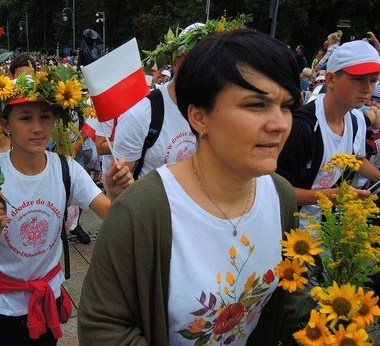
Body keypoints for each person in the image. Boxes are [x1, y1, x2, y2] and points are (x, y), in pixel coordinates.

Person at [78, 29, 301, 346]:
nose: (279, 123)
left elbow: (287, 302)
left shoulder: (281, 196)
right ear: (199, 116)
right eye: (256, 105)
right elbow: (103, 325)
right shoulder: (140, 212)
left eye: (287, 106)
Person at [0, 66, 134, 345]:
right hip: (5, 304)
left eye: (45, 117)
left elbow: (114, 216)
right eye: (25, 118)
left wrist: (115, 191)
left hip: (47, 296)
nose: (38, 127)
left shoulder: (66, 169)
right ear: (4, 124)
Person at [114, 16, 248, 180]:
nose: (202, 68)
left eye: (211, 62)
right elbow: (119, 188)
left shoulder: (226, 111)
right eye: (191, 59)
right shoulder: (141, 114)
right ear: (174, 62)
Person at [277, 40, 380, 228]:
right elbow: (277, 191)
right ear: (331, 80)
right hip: (289, 233)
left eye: (373, 80)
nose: (367, 88)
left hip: (324, 230)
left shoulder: (356, 121)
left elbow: (355, 159)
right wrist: (333, 196)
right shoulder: (301, 127)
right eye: (358, 79)